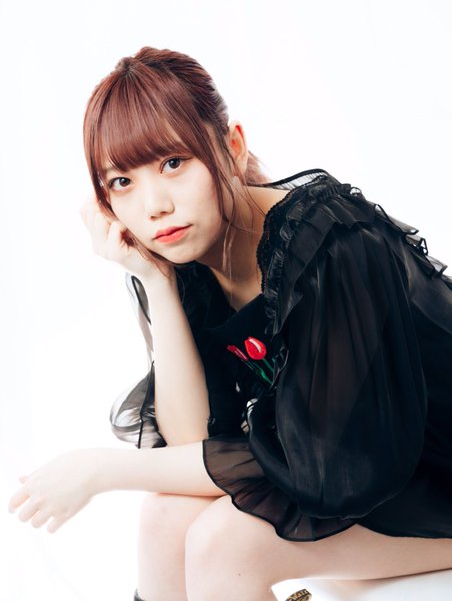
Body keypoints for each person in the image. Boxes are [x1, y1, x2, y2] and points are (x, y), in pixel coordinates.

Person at [8, 46, 452, 601]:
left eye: (173, 163)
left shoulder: (329, 245)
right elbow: (196, 441)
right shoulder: (184, 260)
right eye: (121, 182)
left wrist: (104, 470)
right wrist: (156, 284)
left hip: (428, 480)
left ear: (232, 147)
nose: (154, 205)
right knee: (165, 517)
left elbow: (325, 466)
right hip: (368, 483)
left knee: (225, 543)